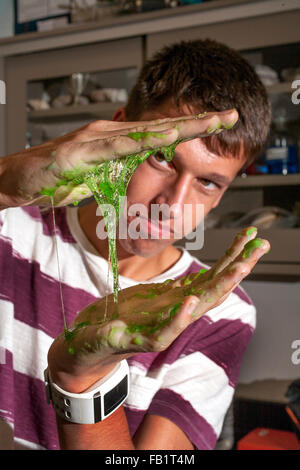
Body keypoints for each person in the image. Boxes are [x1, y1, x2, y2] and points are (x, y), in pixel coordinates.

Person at [0, 39, 271, 450]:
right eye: (161, 157)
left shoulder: (216, 312)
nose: (173, 204)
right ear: (116, 131)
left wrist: (83, 382)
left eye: (208, 182)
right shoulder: (11, 230)